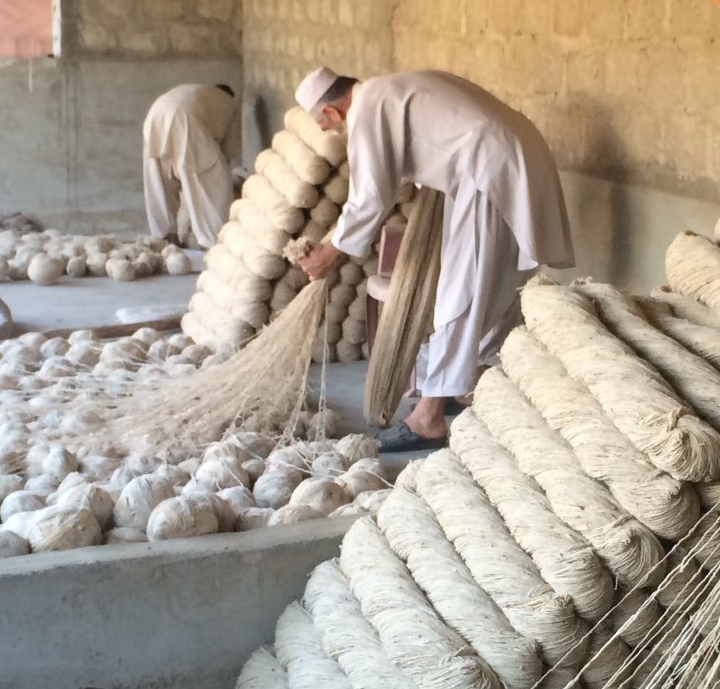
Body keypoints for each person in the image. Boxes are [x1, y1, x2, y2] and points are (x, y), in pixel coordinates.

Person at [295, 67, 574, 450]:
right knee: (497, 286)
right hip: (509, 156)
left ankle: (428, 417)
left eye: (324, 126)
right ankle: (474, 385)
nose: (329, 133)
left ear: (332, 114)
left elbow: (370, 196)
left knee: (463, 292)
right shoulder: (390, 90)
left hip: (488, 169)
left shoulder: (368, 108)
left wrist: (331, 253)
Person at [142, 82, 242, 249]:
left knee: (159, 180)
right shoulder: (230, 104)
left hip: (155, 114)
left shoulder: (201, 93)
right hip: (184, 118)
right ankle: (213, 241)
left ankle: (165, 237)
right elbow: (227, 152)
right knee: (212, 183)